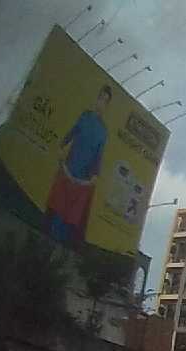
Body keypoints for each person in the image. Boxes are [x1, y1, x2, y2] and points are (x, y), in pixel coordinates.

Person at [45, 85, 111, 248]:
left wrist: (94, 175)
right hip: (69, 166)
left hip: (83, 177)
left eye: (105, 101)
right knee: (57, 205)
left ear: (107, 106)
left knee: (72, 214)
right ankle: (48, 239)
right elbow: (72, 133)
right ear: (96, 99)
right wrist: (61, 147)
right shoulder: (85, 116)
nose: (101, 103)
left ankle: (59, 245)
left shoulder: (103, 131)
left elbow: (98, 156)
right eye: (100, 98)